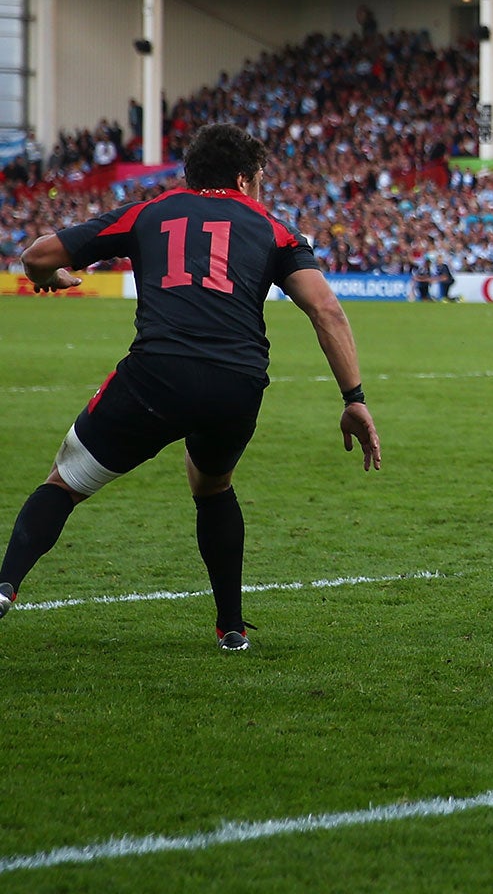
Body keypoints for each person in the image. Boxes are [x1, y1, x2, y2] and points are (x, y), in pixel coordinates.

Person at [0, 124, 381, 647]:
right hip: (238, 383)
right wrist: (354, 400)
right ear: (244, 178)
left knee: (64, 483)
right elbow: (326, 309)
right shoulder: (274, 226)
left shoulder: (151, 211)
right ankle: (230, 627)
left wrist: (51, 278)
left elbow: (38, 256)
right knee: (212, 486)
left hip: (158, 375)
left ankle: (4, 585)